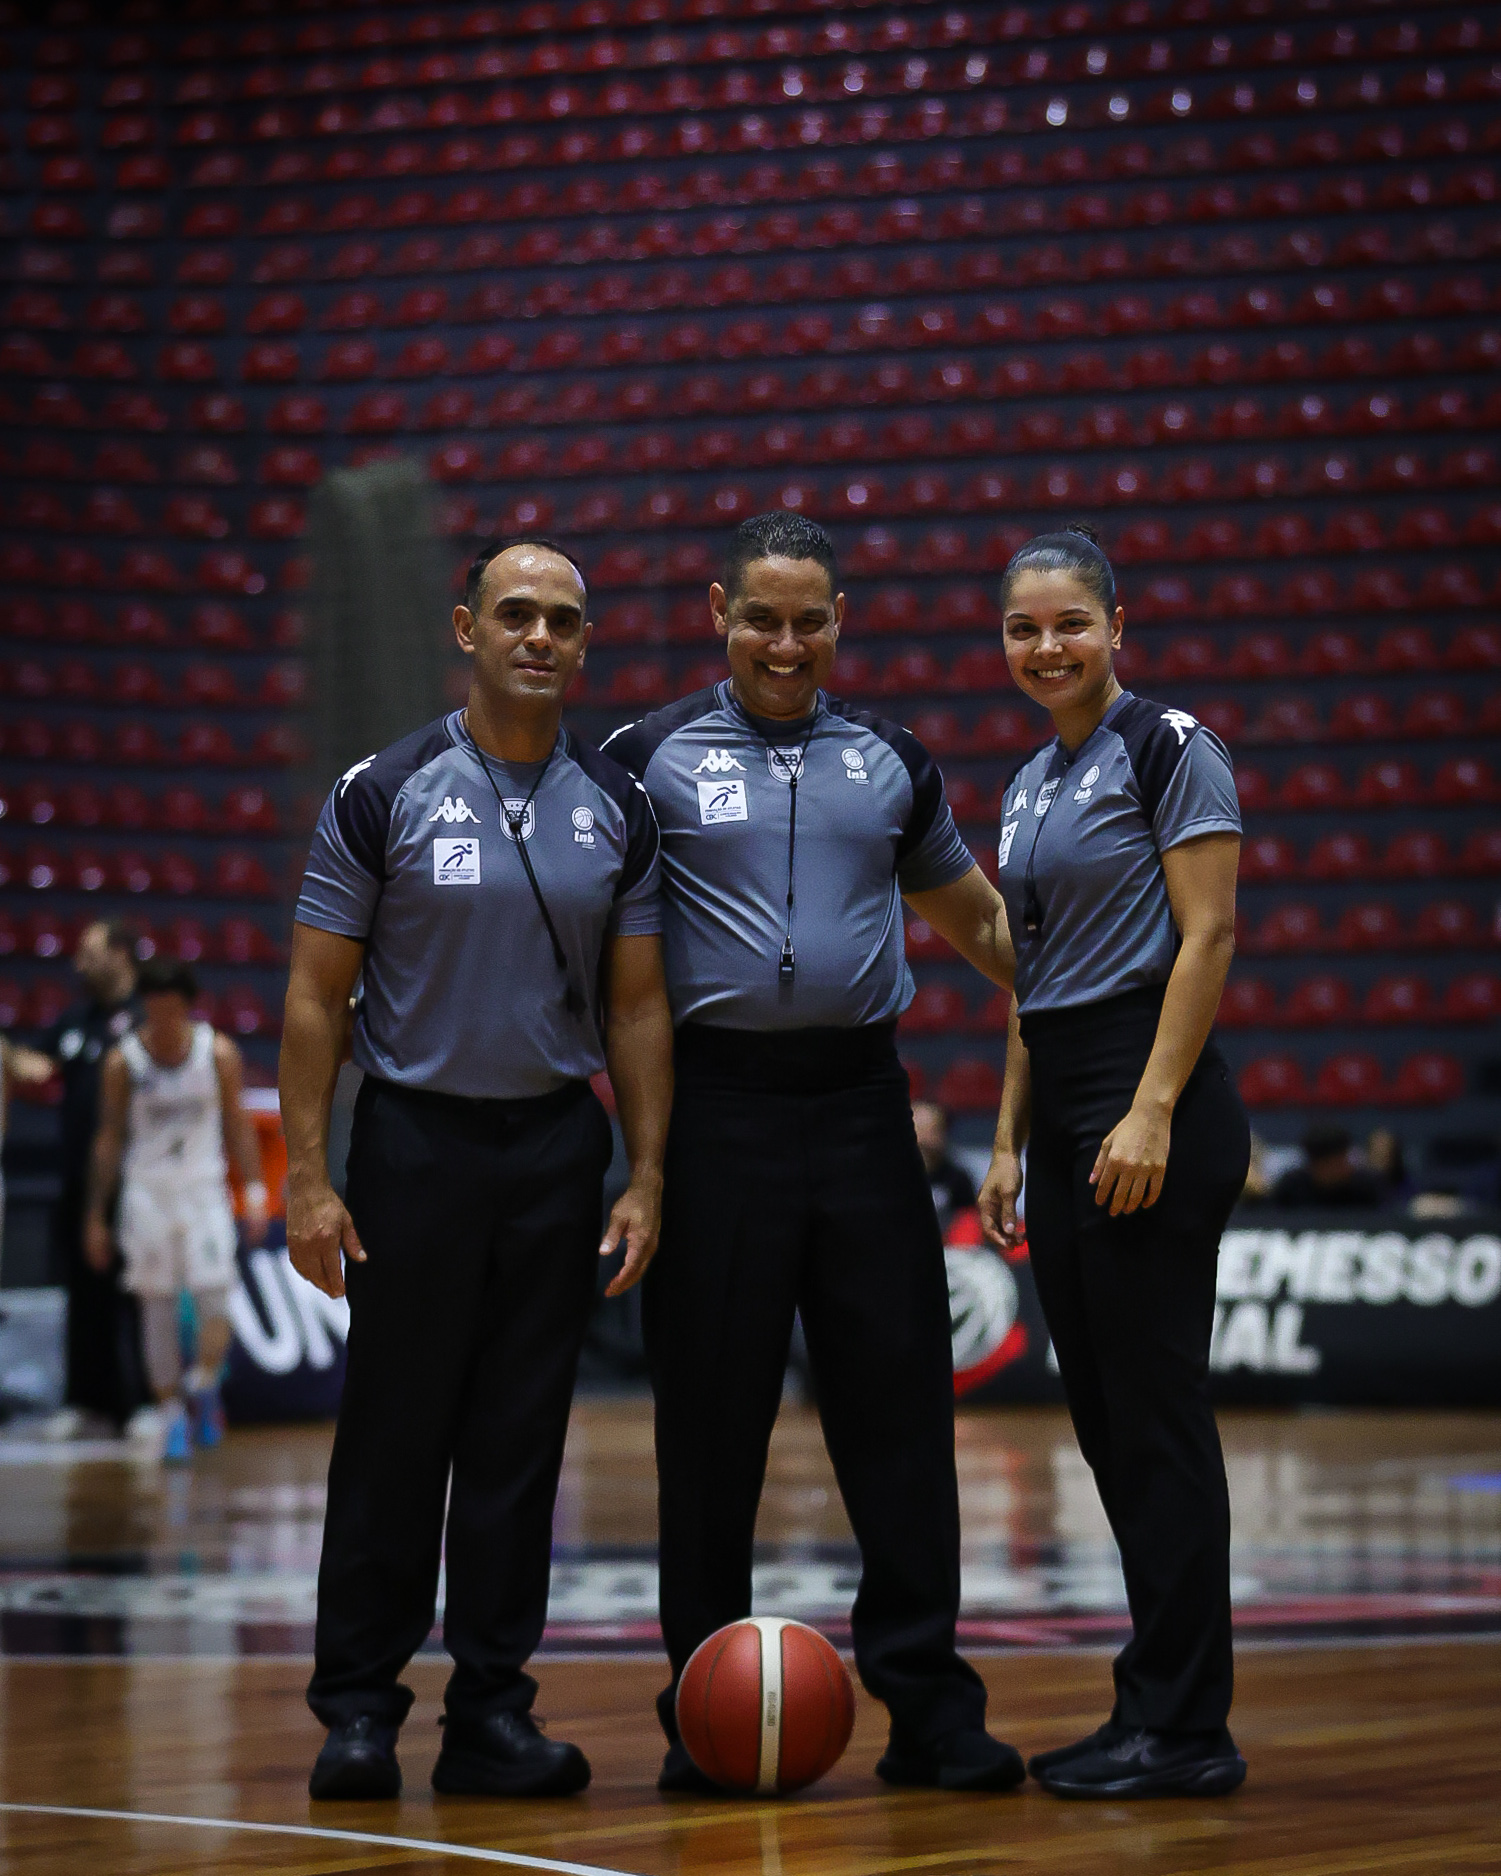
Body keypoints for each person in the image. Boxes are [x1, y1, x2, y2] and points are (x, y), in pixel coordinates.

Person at [604, 511, 1026, 1795]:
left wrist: (1105, 996)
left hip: (860, 1108)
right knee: (708, 1425)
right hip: (715, 1110)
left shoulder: (891, 760)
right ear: (716, 612)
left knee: (900, 1414)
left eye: (809, 621)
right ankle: (699, 1713)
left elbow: (983, 924)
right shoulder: (642, 759)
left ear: (840, 621)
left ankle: (930, 1708)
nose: (784, 644)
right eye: (760, 618)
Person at [281, 536, 673, 1803]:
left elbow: (637, 1008)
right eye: (515, 613)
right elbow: (314, 998)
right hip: (415, 1142)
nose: (538, 635)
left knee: (519, 1442)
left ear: (584, 642)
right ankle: (357, 1710)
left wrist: (645, 1171)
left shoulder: (616, 804)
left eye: (562, 618)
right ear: (467, 629)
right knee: (393, 1435)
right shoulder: (383, 788)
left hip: (555, 1147)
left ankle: (491, 1713)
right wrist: (307, 1177)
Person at [977, 524, 1251, 1800]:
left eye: (1069, 624)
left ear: (1115, 627)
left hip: (1151, 1100)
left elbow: (1207, 937)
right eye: (1023, 629)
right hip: (1068, 1095)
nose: (1047, 647)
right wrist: (1006, 1138)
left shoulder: (1172, 748)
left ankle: (1188, 1730)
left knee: (1155, 1422)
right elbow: (1031, 980)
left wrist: (1149, 1111)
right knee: (1106, 1427)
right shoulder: (1028, 782)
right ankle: (1149, 1703)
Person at [84, 958, 268, 1461]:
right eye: (154, 1008)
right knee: (156, 1307)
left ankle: (203, 1385)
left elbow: (238, 1123)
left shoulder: (217, 1052)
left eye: (170, 1009)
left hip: (203, 1189)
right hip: (147, 1193)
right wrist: (96, 1215)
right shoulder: (124, 1061)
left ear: (187, 1006)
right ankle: (170, 1416)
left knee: (215, 1299)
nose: (162, 1020)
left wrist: (255, 1190)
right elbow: (108, 1139)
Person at [38, 919, 148, 1435]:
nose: (78, 963)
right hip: (79, 1179)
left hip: (138, 1180)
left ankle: (143, 1402)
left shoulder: (147, 1018)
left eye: (89, 952)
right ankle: (86, 1402)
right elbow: (36, 1067)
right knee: (83, 1293)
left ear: (121, 953)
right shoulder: (75, 1020)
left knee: (138, 1292)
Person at [1272, 1125, 1387, 1208]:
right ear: (1314, 1165)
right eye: (1336, 1163)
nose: (1346, 1167)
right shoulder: (1291, 1187)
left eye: (1345, 1159)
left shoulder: (1367, 1187)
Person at [912, 1097, 978, 1231]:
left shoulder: (958, 1180)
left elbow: (970, 1224)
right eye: (917, 1130)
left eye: (930, 1131)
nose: (922, 1140)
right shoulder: (890, 1179)